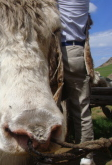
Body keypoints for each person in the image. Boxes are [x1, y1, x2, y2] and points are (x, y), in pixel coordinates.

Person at [57, 0, 95, 165]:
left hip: (59, 51)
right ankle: (86, 156)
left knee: (51, 103)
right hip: (79, 51)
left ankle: (45, 152)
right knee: (81, 108)